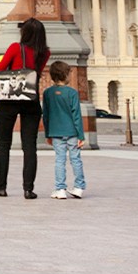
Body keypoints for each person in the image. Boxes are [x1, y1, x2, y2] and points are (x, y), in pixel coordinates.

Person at [0, 18, 49, 198]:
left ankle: (1, 187)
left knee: (3, 144)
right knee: (30, 146)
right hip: (30, 100)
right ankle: (28, 189)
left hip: (9, 99)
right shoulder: (44, 52)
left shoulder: (16, 48)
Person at [41, 60, 86, 199]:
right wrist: (81, 136)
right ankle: (79, 187)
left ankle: (60, 189)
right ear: (66, 75)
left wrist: (48, 133)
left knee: (60, 160)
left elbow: (46, 115)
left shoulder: (47, 93)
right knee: (76, 159)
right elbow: (76, 115)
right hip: (72, 131)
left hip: (55, 132)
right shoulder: (72, 93)